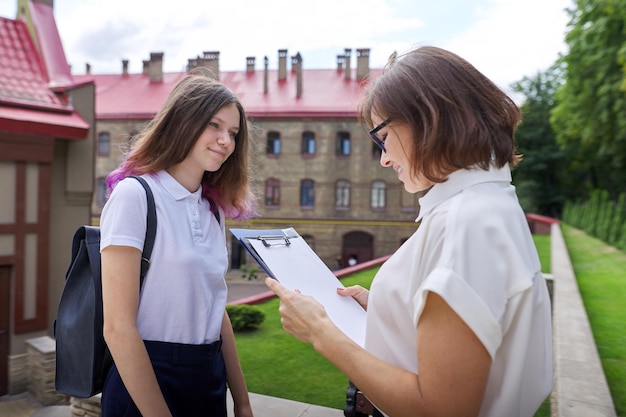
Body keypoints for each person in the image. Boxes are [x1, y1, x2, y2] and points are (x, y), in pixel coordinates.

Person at [265, 46, 553, 417]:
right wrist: (388, 307)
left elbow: (438, 409)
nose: (383, 157)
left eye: (382, 136)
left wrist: (323, 333)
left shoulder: (465, 225)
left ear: (428, 119)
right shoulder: (487, 203)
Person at [100, 71, 256, 417]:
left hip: (208, 379)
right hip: (146, 381)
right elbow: (117, 328)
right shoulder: (135, 196)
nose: (226, 141)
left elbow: (216, 311)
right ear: (182, 123)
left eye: (232, 133)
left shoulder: (214, 210)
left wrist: (242, 402)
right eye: (214, 126)